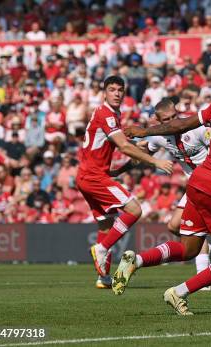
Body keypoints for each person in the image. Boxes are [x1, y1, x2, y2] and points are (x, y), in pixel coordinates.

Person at [121, 59, 211, 315]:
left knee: (189, 248)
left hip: (198, 183)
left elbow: (181, 125)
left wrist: (145, 131)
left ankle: (139, 260)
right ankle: (179, 292)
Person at [76, 76, 173, 289]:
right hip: (93, 176)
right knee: (134, 210)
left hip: (89, 174)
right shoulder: (106, 113)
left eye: (120, 90)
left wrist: (119, 168)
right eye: (112, 89)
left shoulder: (112, 114)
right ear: (104, 92)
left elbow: (111, 144)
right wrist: (155, 160)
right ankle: (101, 249)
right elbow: (123, 146)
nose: (117, 93)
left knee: (106, 224)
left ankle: (103, 278)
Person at [111, 98, 211, 295]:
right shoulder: (159, 136)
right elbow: (140, 155)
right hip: (194, 185)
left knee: (195, 233)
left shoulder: (198, 128)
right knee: (174, 226)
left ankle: (204, 276)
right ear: (158, 120)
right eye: (167, 119)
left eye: (175, 116)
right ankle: (204, 255)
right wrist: (119, 171)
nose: (173, 122)